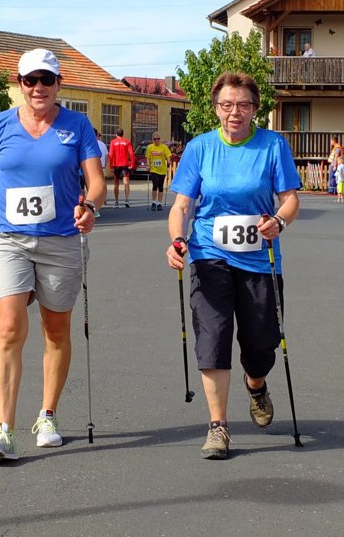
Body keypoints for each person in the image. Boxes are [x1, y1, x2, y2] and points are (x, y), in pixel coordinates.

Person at [0, 48, 105, 461]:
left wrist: (90, 208)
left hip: (60, 241)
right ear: (19, 85)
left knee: (55, 331)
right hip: (10, 239)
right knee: (8, 327)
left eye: (46, 80)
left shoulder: (77, 125)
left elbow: (96, 181)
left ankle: (47, 414)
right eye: (29, 80)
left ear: (59, 84)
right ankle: (4, 428)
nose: (38, 87)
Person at [165, 71, 300, 460]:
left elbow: (290, 199)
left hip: (260, 260)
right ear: (216, 108)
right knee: (213, 337)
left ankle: (256, 385)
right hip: (209, 254)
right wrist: (177, 240)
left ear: (255, 109)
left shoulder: (273, 146)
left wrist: (279, 220)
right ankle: (218, 426)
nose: (234, 112)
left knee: (261, 344)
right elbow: (182, 205)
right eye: (226, 105)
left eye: (243, 105)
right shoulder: (200, 148)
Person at [108, 128, 134, 208]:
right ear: (123, 134)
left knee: (116, 183)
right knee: (126, 182)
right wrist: (132, 164)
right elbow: (131, 154)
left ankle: (116, 202)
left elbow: (111, 155)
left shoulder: (113, 142)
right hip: (125, 165)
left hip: (116, 165)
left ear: (116, 134)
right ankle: (126, 199)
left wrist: (111, 166)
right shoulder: (127, 142)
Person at [146, 131, 172, 210]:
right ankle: (154, 202)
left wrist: (169, 161)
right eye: (155, 139)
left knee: (160, 186)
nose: (157, 140)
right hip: (154, 169)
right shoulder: (150, 147)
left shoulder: (164, 147)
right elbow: (148, 158)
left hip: (162, 170)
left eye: (158, 139)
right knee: (155, 184)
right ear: (152, 140)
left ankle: (159, 203)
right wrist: (148, 165)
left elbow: (168, 156)